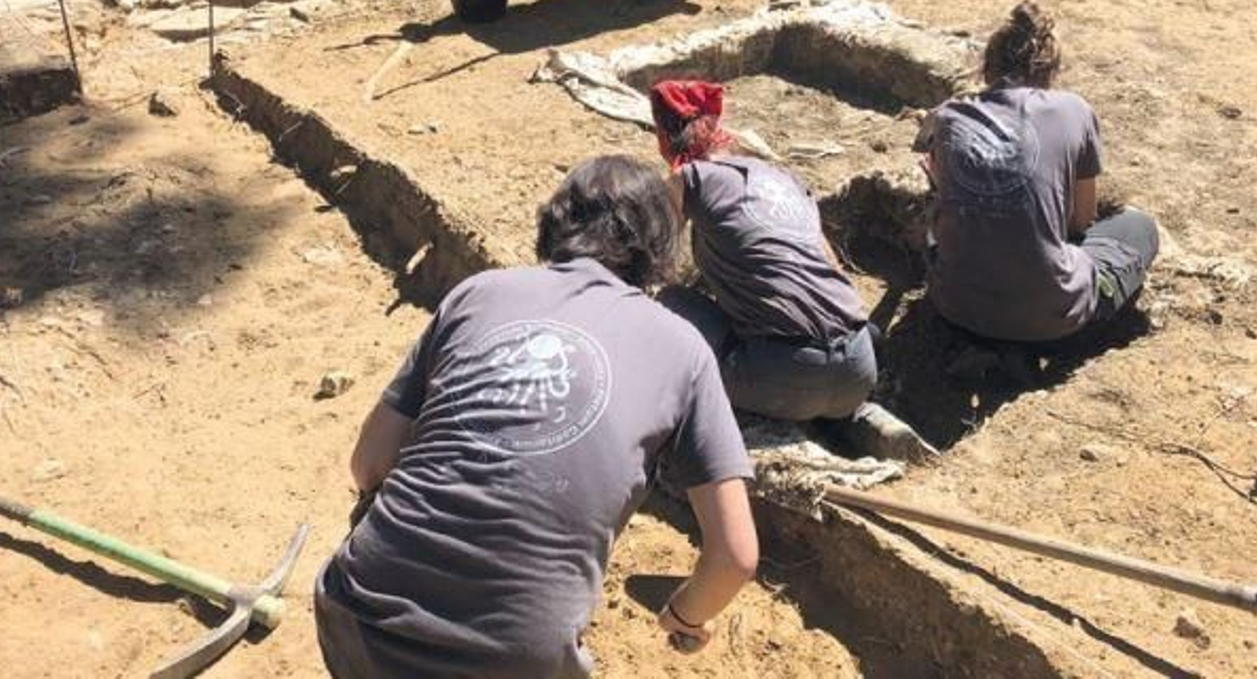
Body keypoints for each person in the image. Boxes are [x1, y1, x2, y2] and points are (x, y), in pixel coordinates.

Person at [315, 155, 759, 678]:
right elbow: (735, 556)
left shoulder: (478, 293)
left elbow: (368, 466)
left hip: (358, 613)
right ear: (661, 249)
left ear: (555, 221)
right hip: (515, 660)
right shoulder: (683, 348)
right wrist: (687, 615)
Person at [650, 79, 936, 462]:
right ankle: (856, 418)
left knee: (670, 304)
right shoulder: (784, 180)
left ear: (665, 137)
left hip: (784, 373)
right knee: (809, 372)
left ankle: (777, 416)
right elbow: (833, 271)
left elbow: (656, 260)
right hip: (858, 364)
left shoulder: (690, 179)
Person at [915, 2, 1161, 345]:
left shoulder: (949, 116)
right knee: (1139, 227)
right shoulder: (1073, 109)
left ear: (987, 67)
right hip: (1051, 319)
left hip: (954, 306)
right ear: (1050, 71)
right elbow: (1081, 222)